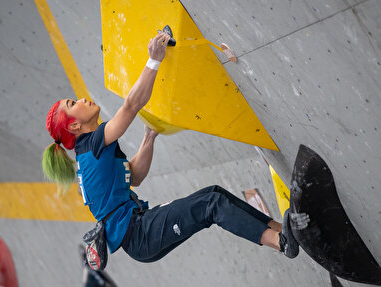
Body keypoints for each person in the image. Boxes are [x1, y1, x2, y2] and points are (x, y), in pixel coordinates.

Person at [42, 31, 307, 265]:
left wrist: (149, 138)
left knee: (214, 194)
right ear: (75, 126)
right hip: (140, 233)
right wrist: (154, 59)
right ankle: (282, 243)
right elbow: (131, 106)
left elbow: (135, 176)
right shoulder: (92, 145)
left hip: (140, 233)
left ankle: (282, 230)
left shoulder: (91, 154)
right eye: (72, 103)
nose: (82, 99)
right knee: (211, 204)